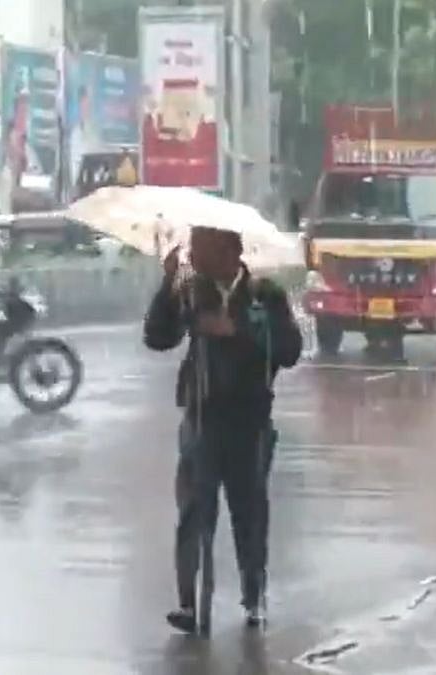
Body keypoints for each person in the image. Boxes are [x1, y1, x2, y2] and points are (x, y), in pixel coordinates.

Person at [144, 226, 303, 632]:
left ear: (230, 250)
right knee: (195, 511)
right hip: (201, 417)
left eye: (202, 247)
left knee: (249, 513)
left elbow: (289, 351)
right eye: (192, 248)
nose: (193, 256)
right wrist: (167, 286)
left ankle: (254, 596)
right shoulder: (191, 291)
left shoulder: (264, 295)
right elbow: (158, 337)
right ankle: (189, 602)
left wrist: (238, 332)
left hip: (249, 422)